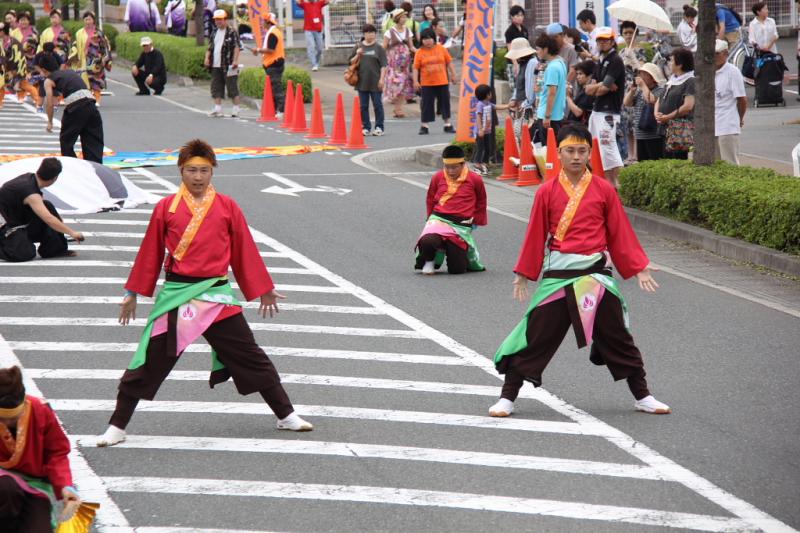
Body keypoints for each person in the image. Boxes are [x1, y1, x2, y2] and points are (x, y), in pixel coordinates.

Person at [95, 139, 314, 448]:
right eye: (191, 171)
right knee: (149, 359)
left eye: (204, 171)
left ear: (212, 172)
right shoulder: (166, 208)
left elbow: (244, 250)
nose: (197, 177)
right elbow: (150, 252)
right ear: (180, 172)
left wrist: (263, 289)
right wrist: (132, 292)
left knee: (250, 356)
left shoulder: (227, 206)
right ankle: (118, 425)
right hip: (178, 295)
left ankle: (286, 414)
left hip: (216, 295)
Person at [489, 124, 670, 419]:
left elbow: (619, 232)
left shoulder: (604, 189)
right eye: (570, 151)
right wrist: (524, 273)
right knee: (536, 335)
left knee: (618, 336)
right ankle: (508, 397)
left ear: (590, 153)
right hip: (559, 273)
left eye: (582, 151)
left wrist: (638, 267)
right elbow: (535, 235)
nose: (576, 157)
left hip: (595, 274)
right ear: (558, 153)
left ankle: (643, 395)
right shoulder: (546, 191)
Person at [0, 366, 82, 531]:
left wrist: (65, 485)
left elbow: (57, 452)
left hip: (34, 484)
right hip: (3, 484)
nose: (7, 423)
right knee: (7, 488)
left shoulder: (40, 410)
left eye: (13, 418)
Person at [416, 144, 487, 275]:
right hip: (439, 219)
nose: (450, 171)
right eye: (447, 167)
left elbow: (481, 200)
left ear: (463, 164)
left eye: (454, 167)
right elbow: (430, 198)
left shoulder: (475, 179)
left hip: (461, 224)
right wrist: (429, 218)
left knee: (457, 270)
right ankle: (429, 261)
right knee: (428, 240)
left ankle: (450, 249)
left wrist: (477, 220)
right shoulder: (437, 177)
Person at [0, 158, 85, 262]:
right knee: (26, 253)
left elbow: (45, 212)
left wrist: (58, 223)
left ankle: (54, 250)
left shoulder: (30, 178)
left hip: (17, 220)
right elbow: (48, 219)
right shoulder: (30, 193)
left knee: (48, 206)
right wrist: (72, 233)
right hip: (5, 227)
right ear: (55, 178)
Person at [39, 54, 106, 164]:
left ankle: (74, 168)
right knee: (93, 140)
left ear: (44, 70)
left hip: (76, 107)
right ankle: (95, 169)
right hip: (91, 104)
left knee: (66, 142)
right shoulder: (69, 71)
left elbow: (49, 103)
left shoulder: (48, 80)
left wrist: (50, 122)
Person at [584, 27, 625, 187]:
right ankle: (609, 184)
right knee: (598, 148)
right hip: (597, 110)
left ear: (612, 41)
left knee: (609, 148)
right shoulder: (600, 60)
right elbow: (589, 88)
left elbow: (603, 89)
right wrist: (602, 85)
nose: (602, 43)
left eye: (605, 40)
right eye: (599, 40)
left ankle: (620, 185)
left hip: (609, 111)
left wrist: (600, 86)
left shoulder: (615, 60)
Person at [413, 28, 456, 135]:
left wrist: (453, 75)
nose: (427, 41)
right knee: (426, 104)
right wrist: (415, 81)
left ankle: (447, 124)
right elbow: (415, 68)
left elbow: (449, 62)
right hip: (427, 83)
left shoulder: (441, 49)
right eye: (425, 39)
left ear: (434, 38)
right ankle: (424, 126)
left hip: (442, 81)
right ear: (421, 40)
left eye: (430, 38)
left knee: (445, 103)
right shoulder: (419, 52)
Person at [655, 47, 695, 160]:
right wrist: (656, 113)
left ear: (680, 64)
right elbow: (660, 98)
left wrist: (667, 117)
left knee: (676, 162)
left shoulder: (690, 81)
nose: (669, 63)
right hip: (664, 127)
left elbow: (688, 106)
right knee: (664, 161)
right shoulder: (672, 79)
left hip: (678, 130)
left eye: (672, 60)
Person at [623, 62, 666, 161]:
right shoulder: (639, 91)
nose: (640, 76)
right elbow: (626, 103)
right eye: (640, 73)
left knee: (655, 162)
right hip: (640, 134)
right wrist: (632, 91)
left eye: (643, 74)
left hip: (654, 135)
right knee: (642, 162)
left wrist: (642, 86)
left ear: (652, 77)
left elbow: (651, 100)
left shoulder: (660, 90)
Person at [349, 24, 387, 136]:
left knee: (377, 104)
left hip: (375, 81)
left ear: (375, 34)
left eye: (372, 32)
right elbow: (350, 62)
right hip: (362, 81)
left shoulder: (379, 48)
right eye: (367, 32)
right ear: (364, 34)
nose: (370, 34)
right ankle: (366, 127)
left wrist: (382, 79)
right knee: (363, 106)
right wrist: (357, 55)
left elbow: (384, 65)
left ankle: (379, 127)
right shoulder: (359, 46)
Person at [713, 39, 747, 165]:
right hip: (712, 125)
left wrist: (739, 118)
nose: (714, 57)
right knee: (715, 165)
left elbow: (742, 99)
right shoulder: (708, 72)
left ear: (726, 53)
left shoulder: (733, 72)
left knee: (729, 163)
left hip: (727, 125)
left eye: (717, 53)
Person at [69, 11, 113, 105]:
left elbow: (105, 46)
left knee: (96, 80)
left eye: (89, 19)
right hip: (83, 60)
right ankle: (87, 99)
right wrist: (73, 56)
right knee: (83, 80)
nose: (88, 21)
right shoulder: (79, 33)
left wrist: (105, 59)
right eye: (86, 19)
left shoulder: (98, 33)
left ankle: (97, 99)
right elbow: (75, 45)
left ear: (93, 20)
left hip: (96, 61)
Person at [532, 33, 567, 145]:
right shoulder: (560, 62)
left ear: (546, 49)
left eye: (538, 49)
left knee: (547, 150)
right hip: (557, 114)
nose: (537, 52)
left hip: (548, 116)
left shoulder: (552, 67)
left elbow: (552, 93)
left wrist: (547, 116)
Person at [205, 9, 241, 118]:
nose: (218, 22)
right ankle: (217, 108)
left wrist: (235, 60)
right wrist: (206, 58)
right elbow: (210, 47)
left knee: (232, 86)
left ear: (225, 20)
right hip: (216, 64)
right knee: (216, 86)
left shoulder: (232, 31)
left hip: (229, 64)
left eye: (220, 19)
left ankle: (236, 108)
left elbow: (237, 47)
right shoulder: (214, 31)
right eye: (216, 20)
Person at [382, 8, 415, 118]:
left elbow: (411, 47)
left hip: (405, 63)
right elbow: (384, 47)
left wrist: (420, 51)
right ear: (397, 18)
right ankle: (396, 106)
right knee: (395, 84)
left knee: (404, 84)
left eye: (405, 17)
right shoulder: (389, 32)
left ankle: (398, 109)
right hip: (393, 63)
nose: (404, 19)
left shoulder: (408, 30)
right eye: (402, 17)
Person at [252, 12, 284, 118]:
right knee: (274, 87)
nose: (262, 23)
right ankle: (276, 110)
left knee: (276, 88)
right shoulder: (275, 31)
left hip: (273, 63)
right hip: (275, 62)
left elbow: (270, 50)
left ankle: (282, 110)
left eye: (263, 21)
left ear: (268, 22)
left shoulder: (272, 33)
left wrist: (258, 50)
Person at [471, 84, 507, 174]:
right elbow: (478, 117)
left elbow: (497, 107)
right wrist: (480, 129)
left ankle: (485, 162)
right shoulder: (480, 105)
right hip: (481, 131)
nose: (491, 94)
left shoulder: (488, 103)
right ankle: (477, 162)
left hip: (487, 130)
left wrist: (508, 106)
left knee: (487, 147)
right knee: (480, 147)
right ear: (487, 95)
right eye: (490, 93)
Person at [297, 0, 328, 72]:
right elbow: (298, 2)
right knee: (311, 46)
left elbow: (328, 1)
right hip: (308, 30)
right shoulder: (305, 4)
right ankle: (314, 64)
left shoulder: (319, 3)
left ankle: (316, 62)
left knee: (320, 48)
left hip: (318, 30)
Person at [566, 60, 595, 124]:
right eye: (577, 74)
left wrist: (567, 96)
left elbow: (578, 112)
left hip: (579, 128)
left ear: (590, 75)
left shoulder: (588, 92)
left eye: (580, 74)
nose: (577, 77)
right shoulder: (583, 89)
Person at [504, 5, 528, 82]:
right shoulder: (509, 31)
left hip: (524, 61)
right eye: (517, 15)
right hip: (513, 62)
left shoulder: (524, 30)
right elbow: (509, 48)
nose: (520, 17)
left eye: (521, 15)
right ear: (512, 16)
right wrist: (515, 64)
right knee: (515, 86)